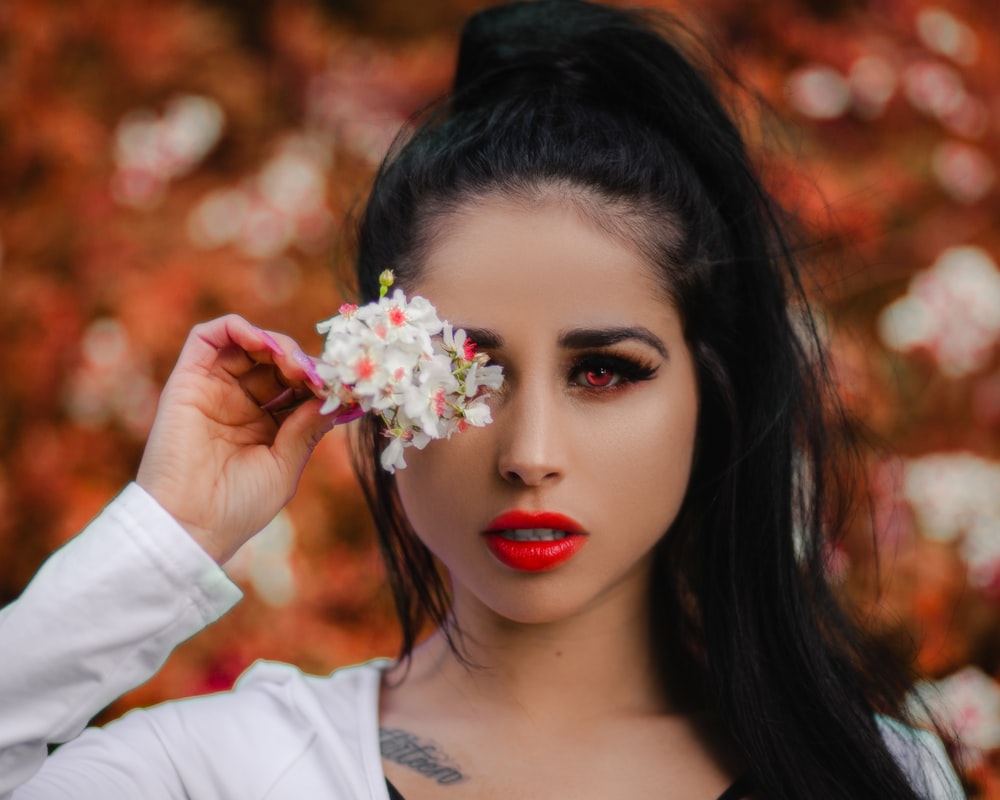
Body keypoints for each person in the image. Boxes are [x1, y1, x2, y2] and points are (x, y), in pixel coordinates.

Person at [0, 1, 967, 798]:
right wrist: (164, 534)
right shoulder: (219, 773)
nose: (529, 452)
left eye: (604, 372)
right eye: (468, 372)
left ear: (708, 393)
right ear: (375, 387)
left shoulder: (878, 777)